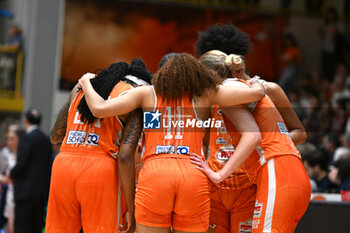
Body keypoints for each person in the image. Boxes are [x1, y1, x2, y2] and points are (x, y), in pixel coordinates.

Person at [79, 53, 265, 233]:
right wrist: (254, 81)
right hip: (193, 172)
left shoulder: (145, 94)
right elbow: (257, 93)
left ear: (160, 73)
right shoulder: (205, 95)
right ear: (193, 73)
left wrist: (86, 82)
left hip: (155, 174)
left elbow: (99, 109)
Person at [192, 50, 311, 233]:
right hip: (283, 169)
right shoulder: (240, 88)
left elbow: (252, 136)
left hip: (275, 169)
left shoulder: (226, 91)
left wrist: (218, 175)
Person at [46, 60, 152, 233]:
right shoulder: (131, 96)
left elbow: (55, 136)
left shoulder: (80, 89)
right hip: (99, 169)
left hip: (63, 165)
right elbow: (125, 156)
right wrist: (131, 210)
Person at [194, 23, 307, 146]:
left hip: (263, 162)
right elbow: (205, 140)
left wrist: (264, 145)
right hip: (223, 164)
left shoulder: (270, 89)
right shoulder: (211, 96)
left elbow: (300, 133)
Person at [10, 108, 52, 233]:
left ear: (26, 120)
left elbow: (22, 163)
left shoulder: (26, 138)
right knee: (36, 227)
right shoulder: (46, 139)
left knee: (22, 227)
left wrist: (12, 173)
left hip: (25, 192)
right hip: (41, 192)